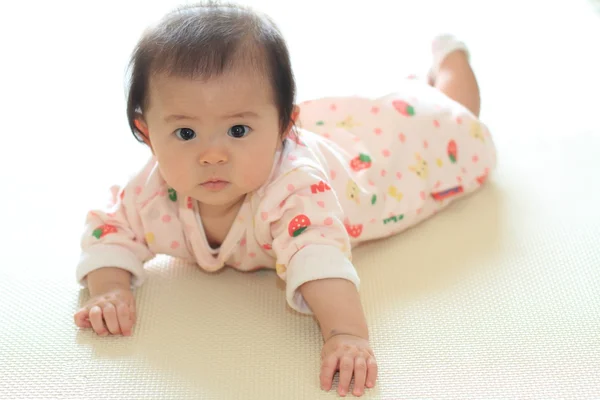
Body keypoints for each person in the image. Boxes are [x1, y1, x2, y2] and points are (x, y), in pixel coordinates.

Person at [73, 1, 496, 397]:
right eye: (185, 133)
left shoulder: (295, 190)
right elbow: (110, 229)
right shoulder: (151, 191)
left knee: (452, 121)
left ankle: (451, 61)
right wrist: (108, 290)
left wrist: (345, 334)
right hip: (324, 130)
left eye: (238, 131)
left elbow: (318, 257)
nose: (213, 154)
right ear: (147, 134)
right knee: (390, 108)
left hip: (369, 165)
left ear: (283, 126)